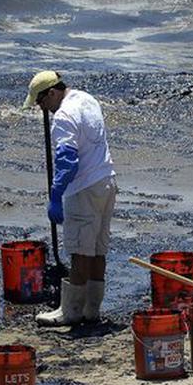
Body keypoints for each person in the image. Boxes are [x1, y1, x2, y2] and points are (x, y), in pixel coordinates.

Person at [23, 70, 117, 326]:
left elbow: (67, 161)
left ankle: (71, 312)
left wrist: (56, 195)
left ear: (52, 93)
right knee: (97, 250)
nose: (42, 108)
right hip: (106, 180)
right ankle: (91, 309)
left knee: (78, 251)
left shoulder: (63, 116)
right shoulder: (87, 99)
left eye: (41, 102)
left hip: (83, 188)